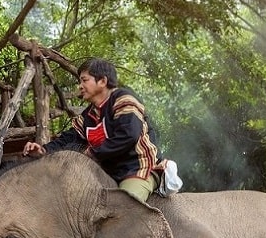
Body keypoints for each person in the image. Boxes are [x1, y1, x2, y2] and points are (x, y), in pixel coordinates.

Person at [23, 57, 165, 202]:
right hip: (110, 173)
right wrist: (43, 150)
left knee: (123, 208)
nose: (80, 85)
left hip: (139, 169)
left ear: (102, 81)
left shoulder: (124, 100)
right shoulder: (88, 115)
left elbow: (128, 135)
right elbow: (68, 138)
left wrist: (91, 153)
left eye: (84, 80)